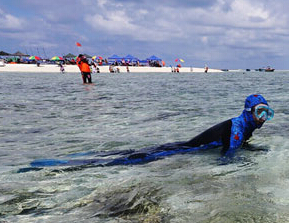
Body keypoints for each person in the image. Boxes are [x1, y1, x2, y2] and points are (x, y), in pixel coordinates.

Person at [26, 94, 273, 169]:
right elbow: (229, 157)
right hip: (184, 150)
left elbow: (239, 146)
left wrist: (255, 150)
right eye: (260, 112)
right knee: (128, 160)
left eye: (267, 114)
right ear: (249, 110)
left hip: (183, 146)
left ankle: (67, 162)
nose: (263, 119)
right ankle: (61, 165)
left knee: (135, 154)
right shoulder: (238, 128)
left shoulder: (243, 127)